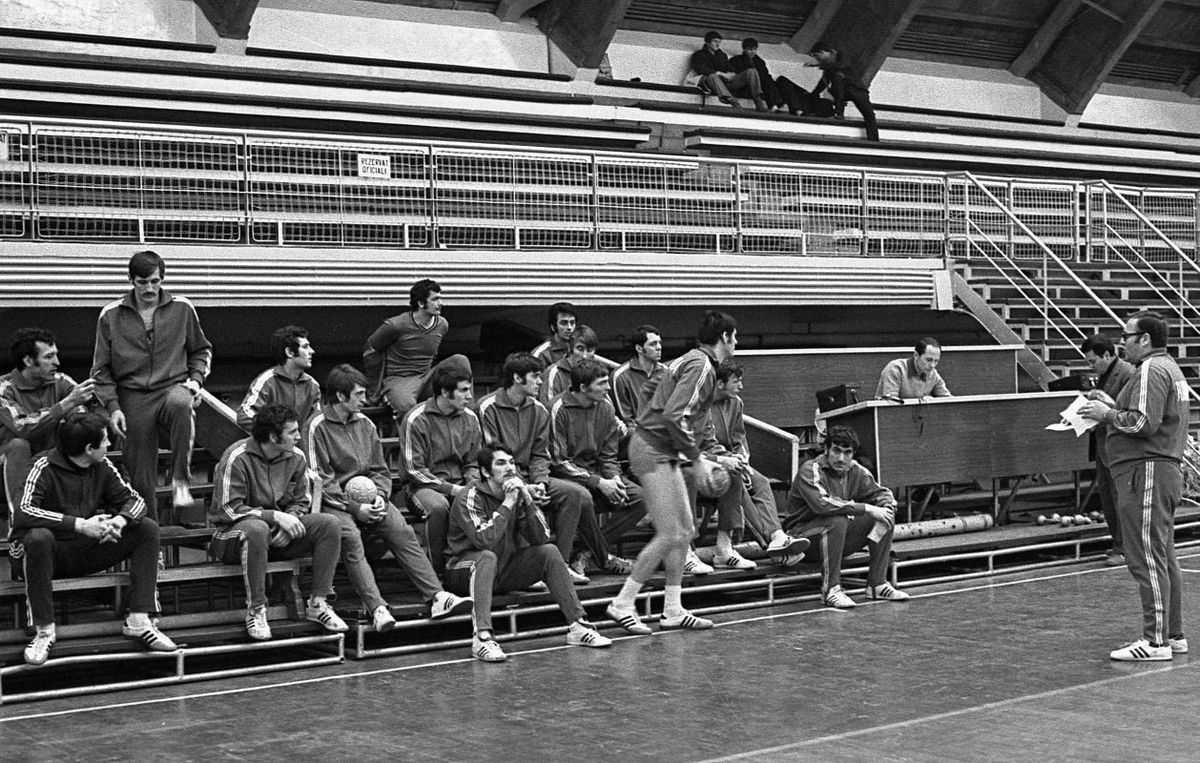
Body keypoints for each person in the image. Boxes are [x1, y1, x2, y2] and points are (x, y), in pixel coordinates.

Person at [604, 310, 741, 635]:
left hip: (660, 447)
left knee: (685, 530)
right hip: (653, 450)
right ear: (724, 338)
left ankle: (673, 608)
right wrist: (697, 459)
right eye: (735, 337)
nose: (736, 343)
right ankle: (622, 603)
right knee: (670, 533)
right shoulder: (701, 366)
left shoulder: (690, 361)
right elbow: (675, 416)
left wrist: (704, 453)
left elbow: (656, 394)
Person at [307, 364, 472, 632]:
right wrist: (353, 508)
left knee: (401, 530)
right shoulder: (317, 427)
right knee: (350, 536)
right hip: (334, 504)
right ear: (340, 396)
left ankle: (438, 596)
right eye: (359, 394)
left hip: (370, 498)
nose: (365, 400)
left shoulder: (366, 424)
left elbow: (381, 470)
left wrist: (381, 496)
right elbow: (319, 480)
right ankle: (377, 608)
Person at [10, 410, 176, 665]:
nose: (109, 444)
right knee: (38, 537)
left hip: (82, 551)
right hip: (42, 554)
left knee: (147, 528)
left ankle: (139, 620)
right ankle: (44, 631)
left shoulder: (102, 465)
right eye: (106, 440)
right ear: (89, 448)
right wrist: (79, 525)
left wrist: (119, 521)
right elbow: (22, 513)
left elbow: (135, 501)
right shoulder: (42, 465)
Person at [1080, 311, 1189, 661]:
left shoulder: (1150, 370)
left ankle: (1154, 641)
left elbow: (1142, 422)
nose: (1122, 341)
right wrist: (1114, 406)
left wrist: (1106, 415)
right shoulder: (1170, 369)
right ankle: (1172, 634)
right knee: (1162, 554)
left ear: (1144, 340)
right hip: (1160, 470)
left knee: (1145, 556)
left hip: (1146, 472)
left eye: (1127, 335)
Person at [445, 442, 613, 662]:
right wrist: (507, 503)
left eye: (512, 462)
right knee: (486, 557)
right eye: (501, 463)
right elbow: (483, 540)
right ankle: (482, 638)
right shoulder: (470, 496)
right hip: (463, 571)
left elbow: (541, 537)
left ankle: (578, 625)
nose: (510, 468)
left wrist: (527, 499)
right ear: (486, 472)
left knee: (549, 552)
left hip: (502, 571)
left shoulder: (516, 494)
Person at [209, 404, 347, 641]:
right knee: (257, 528)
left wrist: (290, 520)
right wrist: (274, 517)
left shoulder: (297, 457)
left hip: (273, 535)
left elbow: (301, 500)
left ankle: (318, 603)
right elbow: (228, 510)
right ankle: (256, 610)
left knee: (329, 524)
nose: (299, 436)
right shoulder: (237, 456)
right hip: (230, 537)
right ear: (273, 437)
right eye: (293, 432)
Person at [91, 250, 212, 519]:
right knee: (141, 477)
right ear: (131, 280)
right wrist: (113, 407)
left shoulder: (182, 307)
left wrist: (195, 381)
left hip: (172, 386)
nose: (149, 288)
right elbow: (101, 370)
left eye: (155, 282)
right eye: (142, 282)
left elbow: (201, 350)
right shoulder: (110, 315)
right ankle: (151, 540)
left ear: (162, 279)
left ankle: (180, 479)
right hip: (132, 396)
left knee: (181, 402)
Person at [478, 352, 614, 585]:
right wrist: (523, 484)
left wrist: (540, 482)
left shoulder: (539, 409)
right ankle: (531, 566)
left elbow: (541, 453)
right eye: (535, 377)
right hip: (501, 478)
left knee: (576, 494)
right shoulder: (487, 407)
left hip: (534, 476)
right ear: (518, 379)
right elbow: (493, 457)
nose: (540, 382)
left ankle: (558, 564)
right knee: (521, 493)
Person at [786, 424, 909, 608]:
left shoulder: (855, 470)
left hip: (836, 540)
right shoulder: (810, 469)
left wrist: (885, 506)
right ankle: (831, 590)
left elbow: (882, 493)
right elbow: (822, 504)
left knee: (884, 514)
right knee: (837, 519)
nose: (841, 458)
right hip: (801, 541)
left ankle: (877, 584)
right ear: (826, 449)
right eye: (836, 451)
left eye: (847, 453)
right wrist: (866, 509)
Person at [703, 361, 810, 568]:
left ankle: (778, 535)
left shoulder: (736, 403)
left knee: (759, 481)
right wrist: (732, 461)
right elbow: (705, 445)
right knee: (737, 482)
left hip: (733, 460)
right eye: (736, 382)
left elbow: (739, 439)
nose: (740, 387)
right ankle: (773, 545)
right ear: (720, 384)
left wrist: (743, 460)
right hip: (709, 463)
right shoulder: (702, 405)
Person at [547, 359, 644, 578]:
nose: (608, 387)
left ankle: (586, 553)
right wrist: (599, 483)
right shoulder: (557, 409)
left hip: (599, 475)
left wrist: (615, 480)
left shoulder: (606, 406)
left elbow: (609, 454)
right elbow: (559, 462)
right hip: (568, 478)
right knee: (583, 498)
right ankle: (604, 557)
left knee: (640, 498)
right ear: (583, 388)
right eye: (602, 384)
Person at [398, 364, 482, 576]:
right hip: (422, 487)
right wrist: (452, 489)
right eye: (463, 390)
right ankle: (437, 573)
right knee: (438, 507)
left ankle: (476, 566)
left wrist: (472, 482)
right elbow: (414, 470)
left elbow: (473, 461)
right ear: (445, 392)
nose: (470, 396)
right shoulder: (416, 418)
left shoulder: (470, 418)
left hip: (460, 481)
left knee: (483, 497)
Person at [1, 328, 96, 513]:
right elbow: (23, 427)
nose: (57, 362)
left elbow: (82, 422)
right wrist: (64, 405)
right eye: (49, 357)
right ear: (28, 360)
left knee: (81, 435)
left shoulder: (62, 381)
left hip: (51, 465)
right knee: (19, 445)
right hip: (7, 472)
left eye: (56, 355)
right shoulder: (4, 389)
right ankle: (20, 519)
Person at [362, 278, 472, 422]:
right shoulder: (396, 325)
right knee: (406, 407)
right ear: (421, 303)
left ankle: (466, 417)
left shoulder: (442, 325)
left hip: (426, 377)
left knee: (460, 360)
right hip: (399, 380)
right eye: (435, 299)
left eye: (440, 298)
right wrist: (374, 390)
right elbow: (370, 350)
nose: (440, 303)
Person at [1081, 333, 1136, 567]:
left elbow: (1128, 411)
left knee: (1119, 499)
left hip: (1119, 448)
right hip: (1104, 445)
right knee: (1107, 498)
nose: (1092, 368)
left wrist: (1104, 404)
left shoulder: (1127, 373)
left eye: (1094, 362)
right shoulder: (1105, 374)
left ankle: (1125, 548)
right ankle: (1118, 544)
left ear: (1107, 354)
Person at [237, 326, 322, 434]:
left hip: (300, 450)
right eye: (305, 347)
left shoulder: (313, 386)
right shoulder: (266, 382)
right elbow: (244, 414)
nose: (312, 351)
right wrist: (276, 434)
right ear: (289, 352)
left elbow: (317, 423)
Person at [808, 42, 879, 141]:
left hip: (856, 89)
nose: (817, 59)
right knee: (836, 80)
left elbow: (841, 66)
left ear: (823, 52)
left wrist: (819, 65)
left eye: (816, 56)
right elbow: (823, 82)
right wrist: (812, 95)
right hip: (841, 91)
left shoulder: (841, 56)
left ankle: (874, 141)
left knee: (869, 115)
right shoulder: (829, 66)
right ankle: (839, 113)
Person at [729, 37, 811, 115]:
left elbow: (765, 74)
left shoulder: (759, 61)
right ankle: (773, 106)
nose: (752, 52)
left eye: (754, 49)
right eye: (749, 50)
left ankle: (797, 109)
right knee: (767, 80)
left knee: (783, 81)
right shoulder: (736, 60)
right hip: (749, 86)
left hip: (764, 85)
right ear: (744, 49)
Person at [688, 31, 767, 111]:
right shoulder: (699, 54)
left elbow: (730, 67)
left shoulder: (722, 55)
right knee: (712, 76)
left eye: (719, 42)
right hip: (708, 82)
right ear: (708, 42)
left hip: (725, 82)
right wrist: (721, 74)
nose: (717, 44)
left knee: (751, 71)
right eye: (715, 41)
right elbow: (701, 69)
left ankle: (758, 100)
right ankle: (732, 101)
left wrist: (732, 73)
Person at [610, 324, 666, 427]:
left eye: (659, 343)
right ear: (639, 349)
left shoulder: (668, 373)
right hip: (635, 436)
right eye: (653, 344)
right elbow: (626, 420)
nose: (659, 347)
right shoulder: (620, 377)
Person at [875, 337, 951, 401]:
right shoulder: (896, 369)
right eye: (929, 360)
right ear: (916, 355)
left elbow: (948, 400)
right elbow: (890, 402)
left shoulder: (933, 374)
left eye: (936, 361)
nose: (932, 365)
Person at [542, 325, 598, 405]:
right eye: (580, 349)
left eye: (589, 350)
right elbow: (548, 411)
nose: (584, 356)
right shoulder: (554, 374)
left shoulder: (596, 375)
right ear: (570, 348)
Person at [532, 302, 578, 369]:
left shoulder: (580, 349)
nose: (569, 327)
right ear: (553, 327)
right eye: (564, 323)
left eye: (572, 323)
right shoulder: (541, 354)